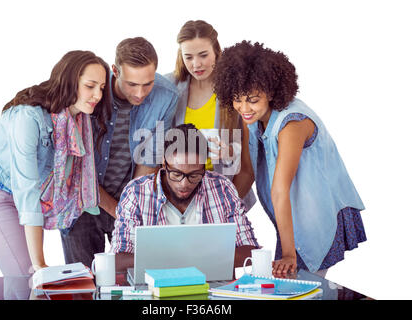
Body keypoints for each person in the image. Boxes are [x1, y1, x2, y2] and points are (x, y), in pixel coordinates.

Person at [213, 41, 367, 277]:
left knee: (302, 282)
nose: (244, 108)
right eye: (237, 99)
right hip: (291, 213)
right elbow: (247, 171)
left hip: (319, 212)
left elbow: (279, 190)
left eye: (253, 100)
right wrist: (218, 213)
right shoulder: (250, 117)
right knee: (289, 282)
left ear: (271, 92)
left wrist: (288, 254)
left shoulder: (292, 124)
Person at [0, 50, 112, 275]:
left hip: (29, 199)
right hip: (1, 195)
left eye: (102, 88)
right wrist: (40, 263)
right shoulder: (28, 118)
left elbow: (78, 182)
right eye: (90, 86)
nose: (97, 95)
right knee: (26, 278)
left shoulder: (78, 120)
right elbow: (27, 190)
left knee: (21, 283)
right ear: (69, 82)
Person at [60, 37, 179, 268]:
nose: (141, 93)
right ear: (115, 71)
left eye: (148, 83)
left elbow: (148, 160)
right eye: (132, 84)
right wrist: (118, 209)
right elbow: (76, 169)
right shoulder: (90, 92)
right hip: (82, 203)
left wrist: (130, 210)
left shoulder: (166, 96)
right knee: (83, 284)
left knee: (133, 282)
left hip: (127, 201)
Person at [111, 123, 259, 272]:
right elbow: (117, 260)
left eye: (194, 175)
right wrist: (191, 260)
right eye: (176, 174)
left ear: (204, 167)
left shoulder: (223, 189)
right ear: (164, 162)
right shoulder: (136, 193)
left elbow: (251, 252)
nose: (184, 184)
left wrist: (167, 260)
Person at [164, 20, 256, 212]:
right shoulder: (169, 86)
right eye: (188, 57)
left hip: (226, 192)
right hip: (180, 194)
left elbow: (250, 160)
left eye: (203, 55)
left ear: (216, 51)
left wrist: (227, 208)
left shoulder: (237, 91)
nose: (196, 64)